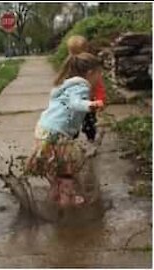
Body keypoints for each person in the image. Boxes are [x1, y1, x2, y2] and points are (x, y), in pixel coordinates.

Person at [26, 53, 104, 207]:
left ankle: (55, 196)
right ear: (90, 74)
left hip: (45, 130)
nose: (99, 79)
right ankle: (65, 204)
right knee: (69, 168)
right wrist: (92, 105)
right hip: (57, 133)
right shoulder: (81, 86)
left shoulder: (66, 85)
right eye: (99, 75)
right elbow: (75, 104)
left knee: (58, 169)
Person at [67, 35, 106, 142]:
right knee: (72, 123)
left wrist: (100, 100)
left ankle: (91, 140)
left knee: (89, 123)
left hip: (89, 102)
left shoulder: (91, 67)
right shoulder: (70, 67)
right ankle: (70, 141)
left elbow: (99, 85)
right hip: (75, 102)